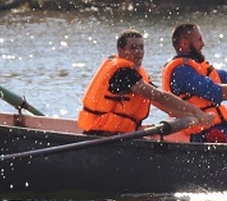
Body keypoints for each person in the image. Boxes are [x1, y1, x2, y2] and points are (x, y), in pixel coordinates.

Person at [78, 30, 213, 134]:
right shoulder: (123, 73)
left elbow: (162, 104)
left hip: (119, 135)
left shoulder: (137, 75)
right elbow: (160, 96)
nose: (139, 52)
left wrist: (194, 117)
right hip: (100, 135)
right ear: (121, 51)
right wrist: (197, 111)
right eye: (133, 47)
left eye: (141, 47)